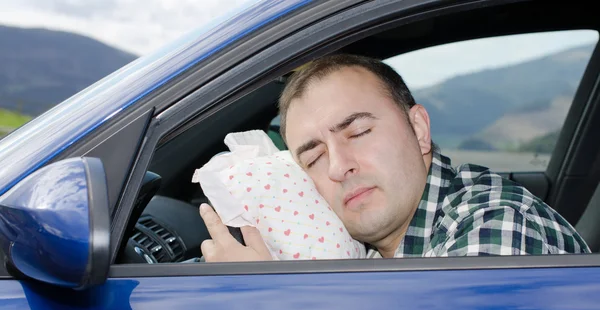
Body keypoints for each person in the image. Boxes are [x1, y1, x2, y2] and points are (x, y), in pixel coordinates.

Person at [199, 54, 590, 261]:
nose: (338, 167)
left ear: (419, 129)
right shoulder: (371, 250)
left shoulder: (495, 225)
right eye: (314, 158)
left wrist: (265, 305)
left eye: (359, 132)